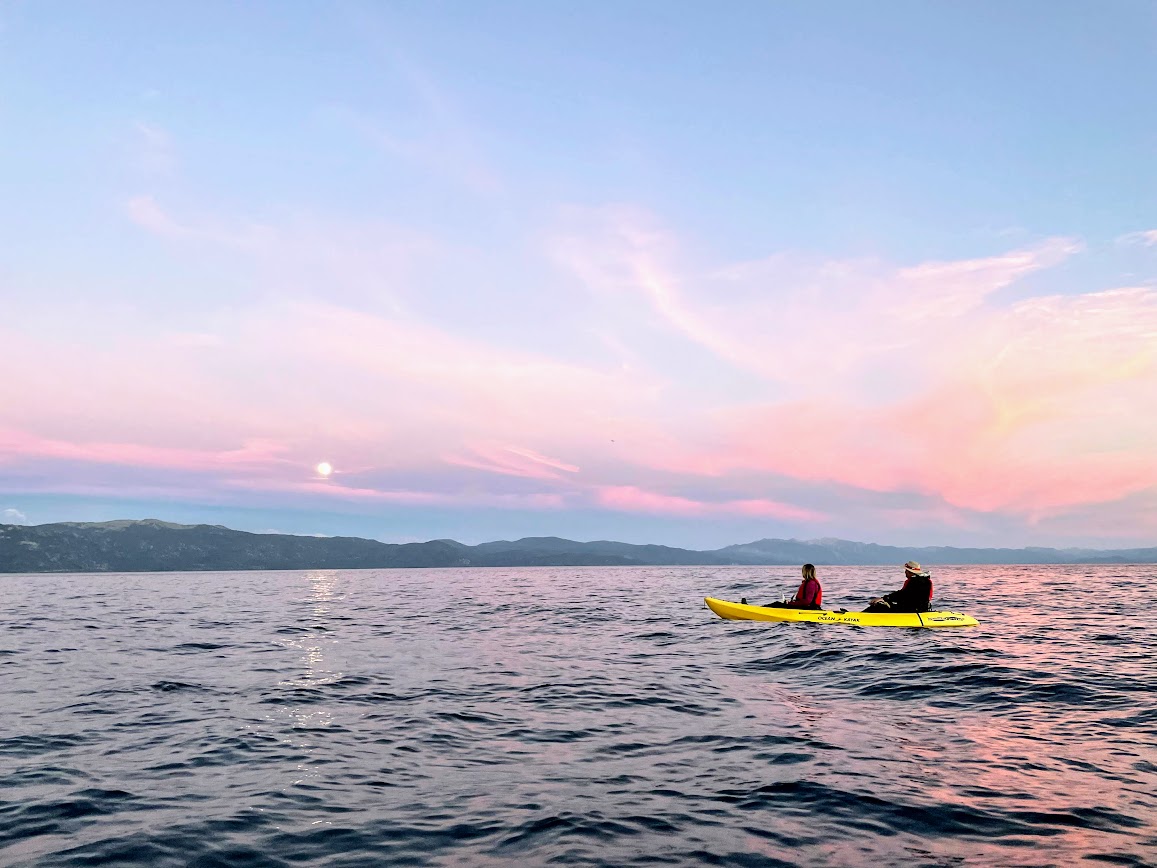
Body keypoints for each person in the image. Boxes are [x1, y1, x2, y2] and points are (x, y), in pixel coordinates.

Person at [741, 563, 823, 609]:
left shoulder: (811, 584)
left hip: (809, 609)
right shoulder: (809, 583)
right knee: (778, 604)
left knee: (777, 604)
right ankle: (756, 608)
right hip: (805, 607)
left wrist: (791, 603)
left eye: (803, 571)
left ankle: (755, 610)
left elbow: (807, 602)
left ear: (806, 572)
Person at [864, 561, 933, 613]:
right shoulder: (921, 580)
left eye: (906, 570)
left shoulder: (917, 581)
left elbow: (902, 595)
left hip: (913, 610)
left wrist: (884, 599)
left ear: (910, 571)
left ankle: (862, 617)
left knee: (879, 606)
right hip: (916, 608)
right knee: (882, 605)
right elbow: (903, 595)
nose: (905, 572)